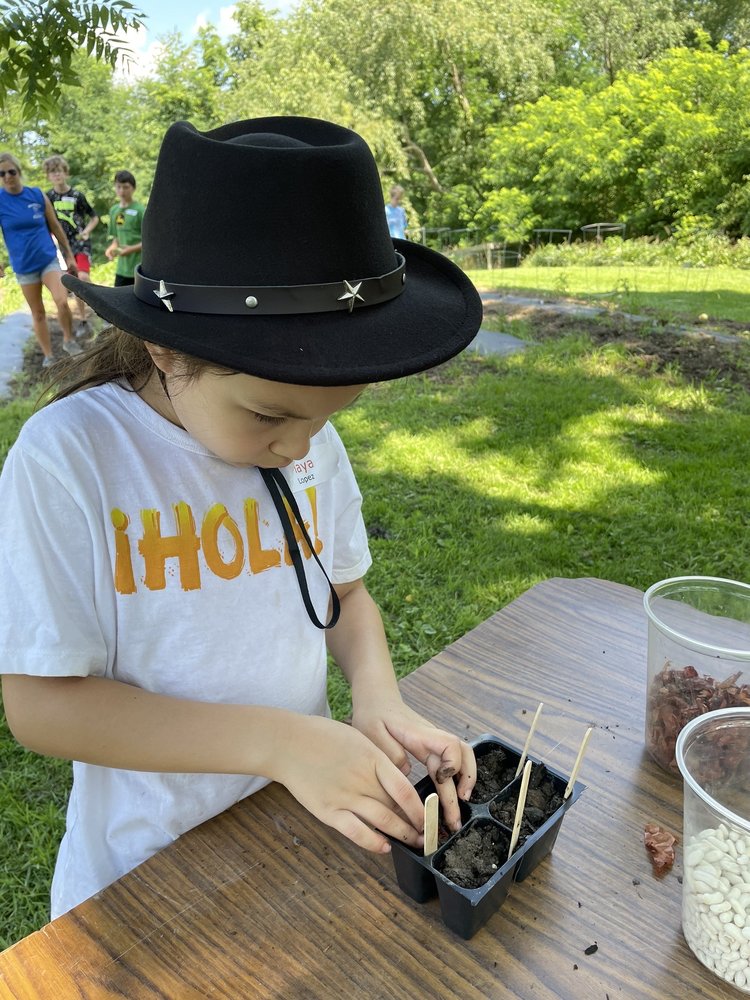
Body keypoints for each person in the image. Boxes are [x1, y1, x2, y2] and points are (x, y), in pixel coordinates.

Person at [0, 116, 483, 922]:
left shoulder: (303, 440)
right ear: (164, 349)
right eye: (270, 415)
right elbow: (42, 705)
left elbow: (349, 598)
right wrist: (280, 742)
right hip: (145, 878)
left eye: (327, 418)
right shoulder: (72, 458)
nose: (299, 448)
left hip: (295, 836)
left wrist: (377, 695)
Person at [0, 152, 83, 366]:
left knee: (62, 300)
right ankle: (49, 356)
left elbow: (55, 226)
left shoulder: (37, 195)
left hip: (48, 259)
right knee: (38, 313)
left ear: (19, 172)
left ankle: (69, 340)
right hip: (24, 266)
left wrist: (69, 256)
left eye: (11, 171)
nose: (7, 176)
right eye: (2, 173)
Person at [45, 155, 100, 338]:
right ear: (48, 176)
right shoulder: (48, 197)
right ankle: (83, 320)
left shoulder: (77, 195)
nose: (56, 175)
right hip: (62, 246)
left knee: (83, 276)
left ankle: (103, 303)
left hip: (80, 243)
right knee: (74, 283)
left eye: (59, 171)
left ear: (66, 172)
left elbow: (94, 217)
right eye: (52, 172)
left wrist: (87, 231)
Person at [105, 169, 144, 287]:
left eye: (126, 187)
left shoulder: (141, 210)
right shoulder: (114, 211)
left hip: (139, 268)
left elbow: (151, 241)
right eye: (118, 187)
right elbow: (116, 238)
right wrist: (112, 248)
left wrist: (131, 249)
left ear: (133, 188)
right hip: (121, 269)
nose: (122, 191)